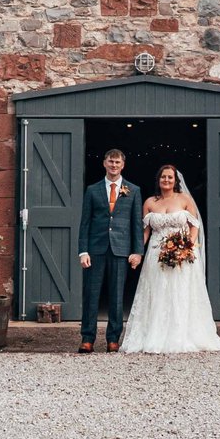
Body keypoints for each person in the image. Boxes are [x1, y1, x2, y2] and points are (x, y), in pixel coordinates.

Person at [121, 163, 220, 355]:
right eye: (163, 177)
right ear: (158, 180)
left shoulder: (185, 200)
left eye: (170, 177)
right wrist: (138, 252)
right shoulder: (150, 202)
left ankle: (181, 334)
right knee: (157, 292)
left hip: (182, 254)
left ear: (175, 180)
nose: (166, 180)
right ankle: (155, 334)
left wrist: (187, 246)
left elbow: (194, 225)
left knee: (180, 292)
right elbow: (146, 232)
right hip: (156, 255)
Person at [77, 148, 144, 352]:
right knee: (91, 294)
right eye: (110, 161)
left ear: (123, 165)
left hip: (120, 250)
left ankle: (113, 339)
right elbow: (85, 223)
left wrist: (137, 251)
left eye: (117, 162)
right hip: (96, 249)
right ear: (104, 163)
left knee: (116, 297)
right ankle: (87, 338)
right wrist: (83, 251)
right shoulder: (92, 190)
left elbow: (136, 225)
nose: (114, 165)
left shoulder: (133, 190)